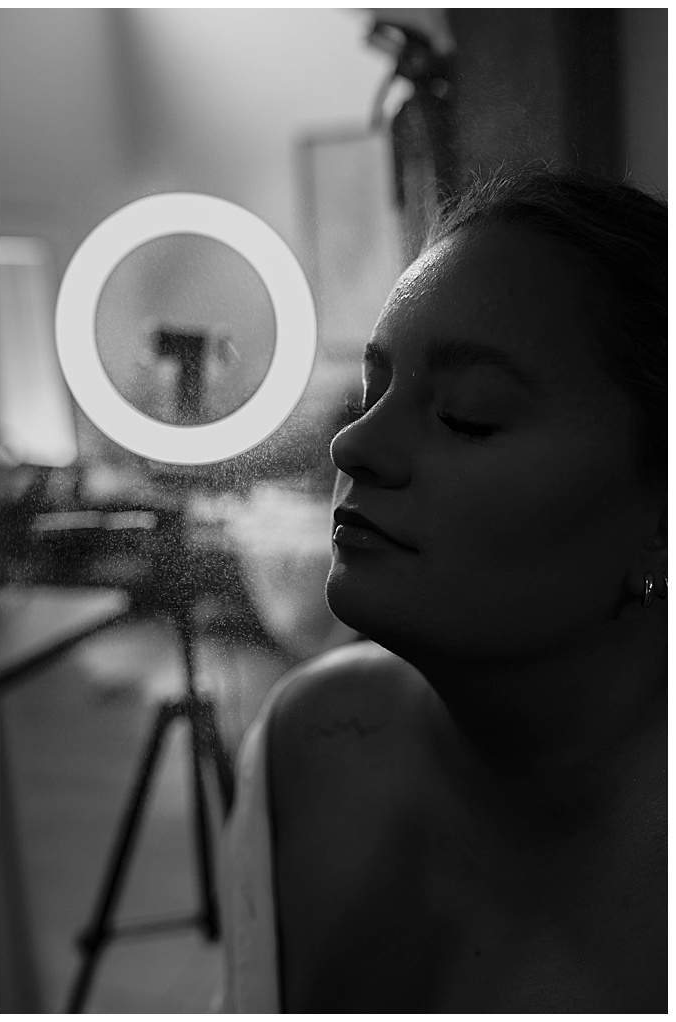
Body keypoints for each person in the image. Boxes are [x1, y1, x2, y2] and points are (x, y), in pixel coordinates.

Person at [223, 171, 667, 1011]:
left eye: (465, 414)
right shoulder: (305, 739)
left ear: (658, 512)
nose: (352, 444)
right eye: (372, 389)